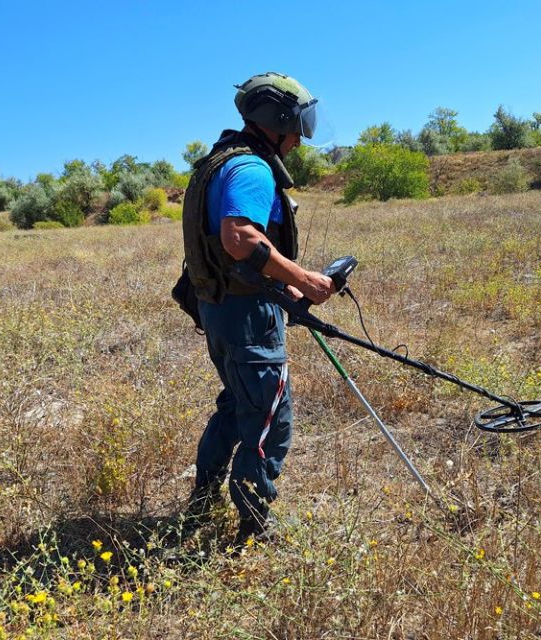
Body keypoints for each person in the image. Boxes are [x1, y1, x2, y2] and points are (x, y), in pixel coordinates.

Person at [180, 72, 335, 545]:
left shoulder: (220, 161)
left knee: (236, 404)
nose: (301, 139)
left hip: (221, 310)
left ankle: (203, 499)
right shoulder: (251, 169)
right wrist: (305, 279)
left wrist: (284, 288)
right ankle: (252, 525)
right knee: (269, 416)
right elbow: (239, 237)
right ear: (279, 120)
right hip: (246, 318)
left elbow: (234, 254)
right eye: (299, 126)